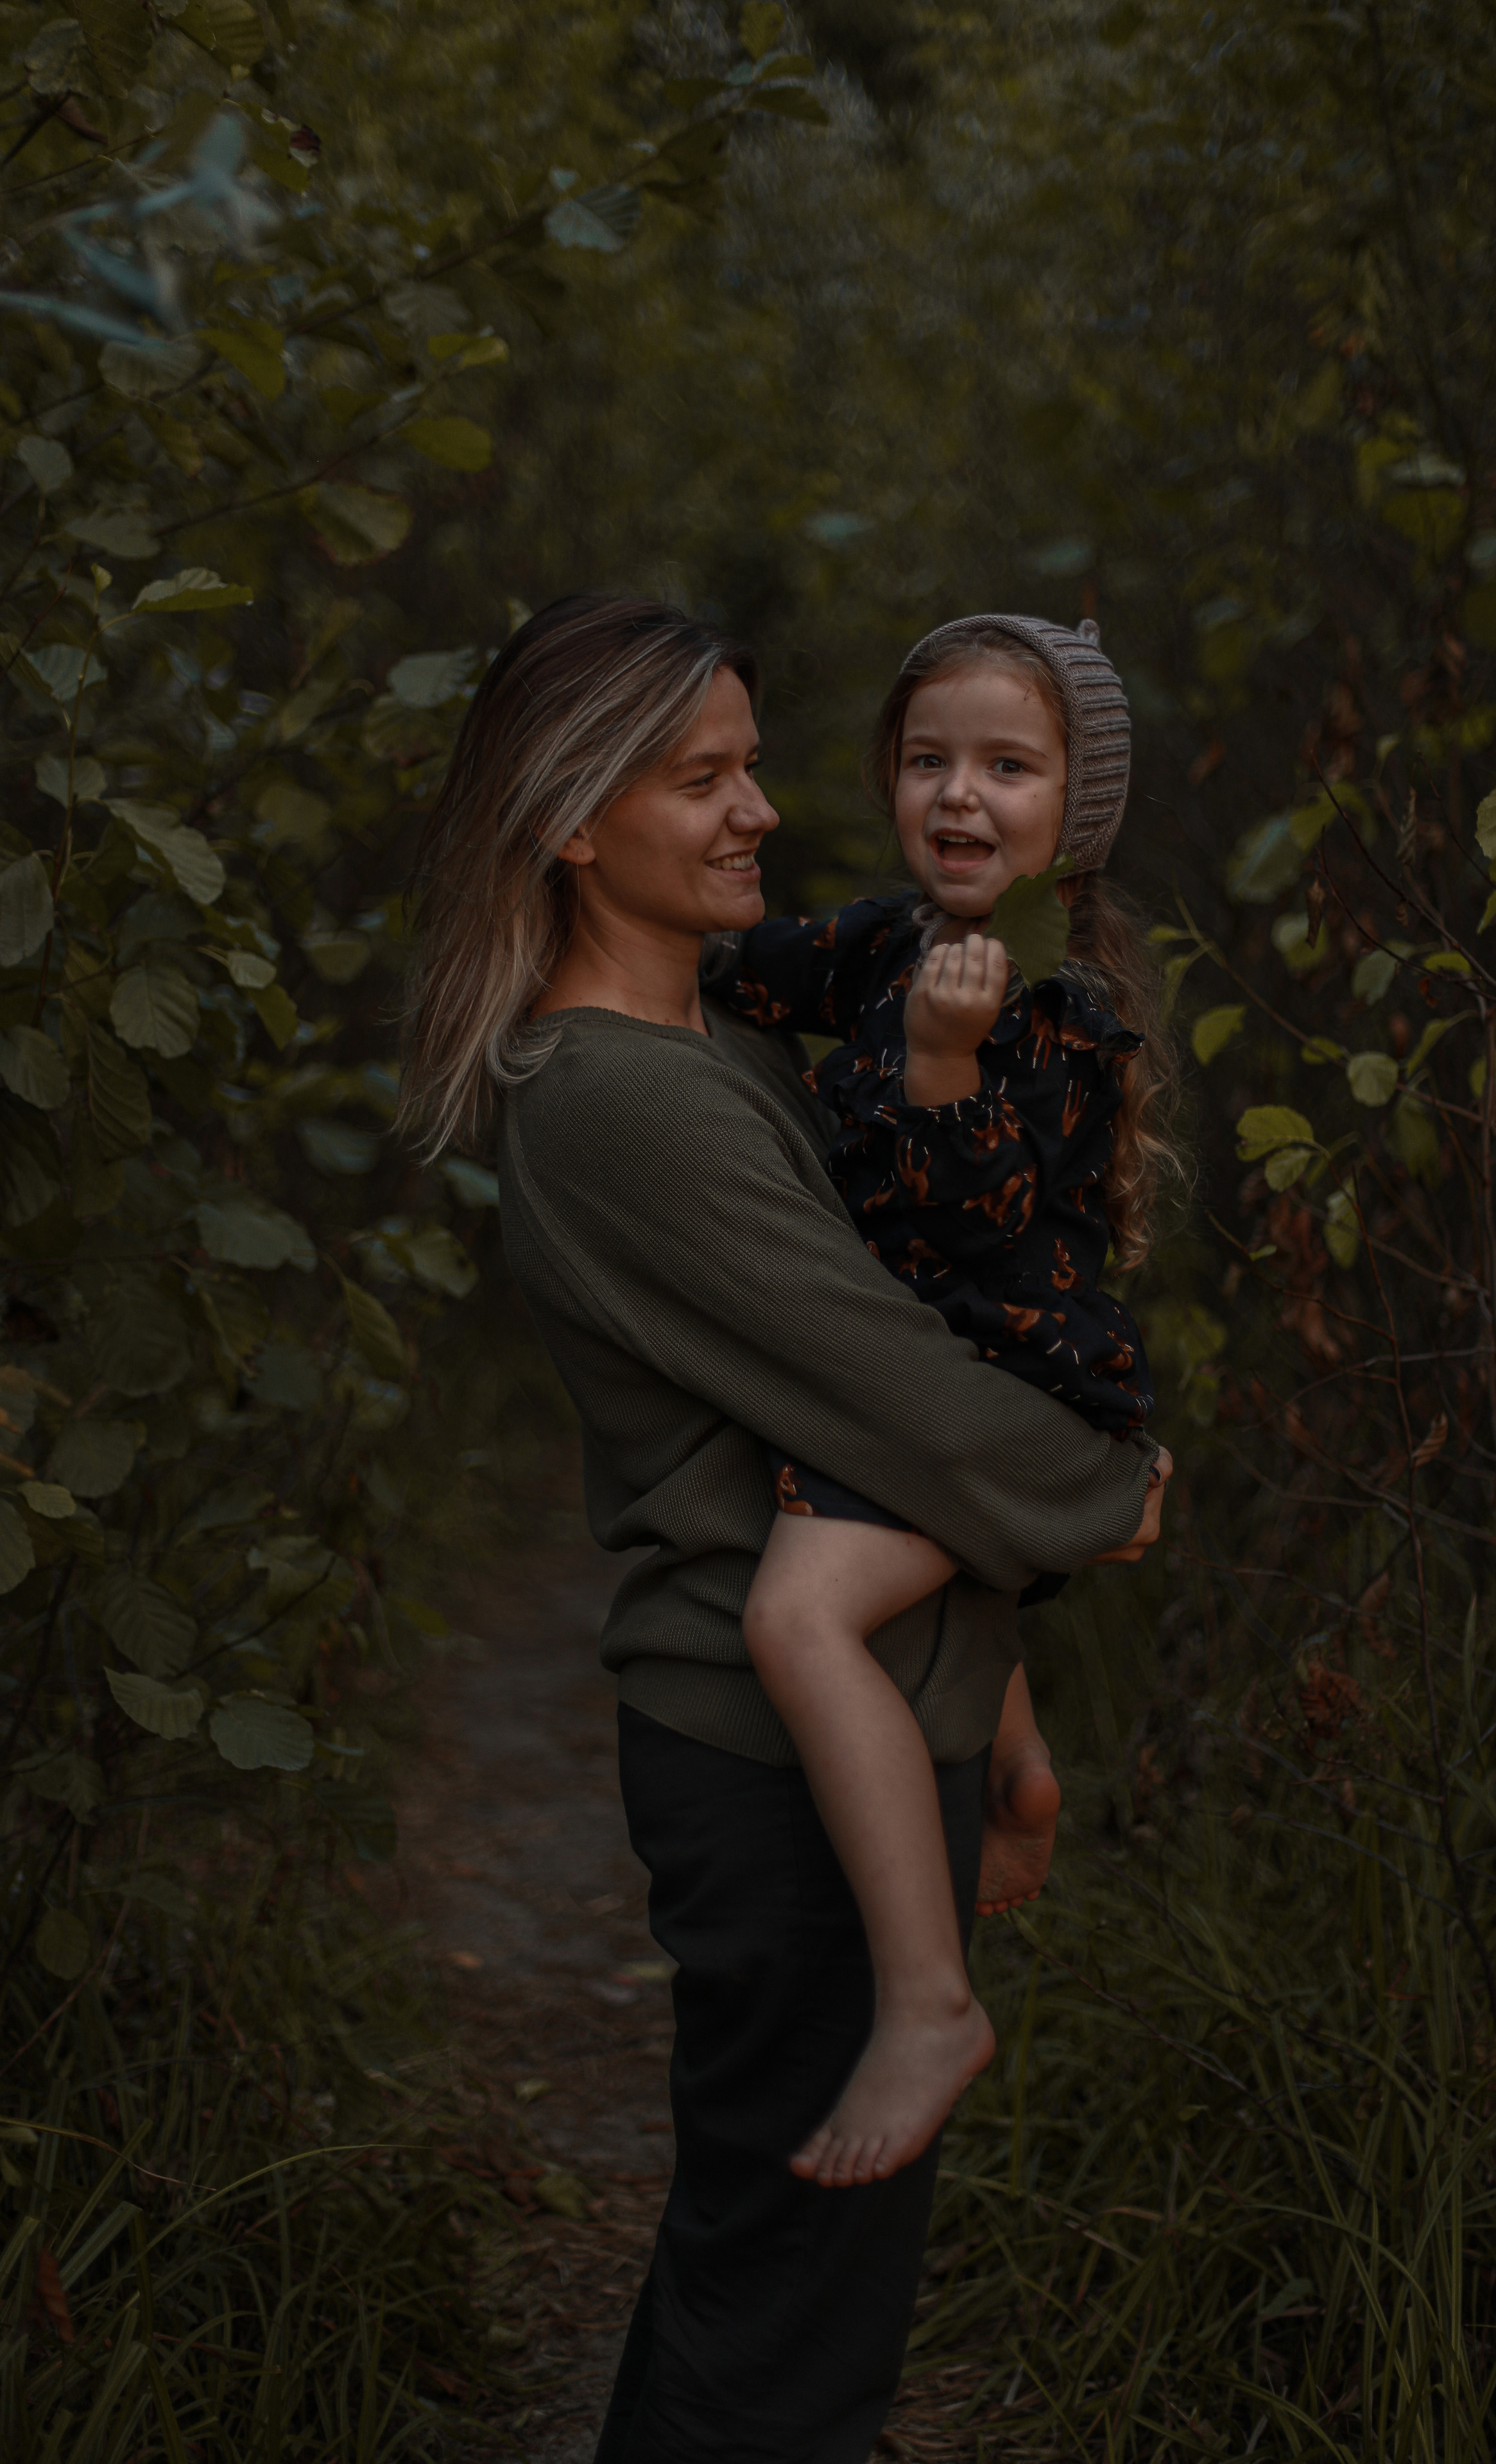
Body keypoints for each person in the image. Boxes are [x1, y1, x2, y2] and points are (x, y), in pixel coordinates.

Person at [399, 594, 1171, 2464]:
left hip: (870, 1730)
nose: (758, 811)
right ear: (576, 823)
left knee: (784, 2294)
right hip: (769, 1772)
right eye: (702, 779)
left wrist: (1002, 1724)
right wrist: (1111, 1482)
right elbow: (890, 1390)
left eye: (752, 766)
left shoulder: (730, 1051)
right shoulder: (615, 1101)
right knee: (789, 2339)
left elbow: (887, 1371)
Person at [724, 613, 1177, 2192]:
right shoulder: (880, 937)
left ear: (1077, 811)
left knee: (795, 1620)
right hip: (910, 1386)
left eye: (1008, 766)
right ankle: (1017, 1757)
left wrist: (936, 1062)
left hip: (1009, 1390)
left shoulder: (1061, 1009)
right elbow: (731, 974)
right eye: (929, 761)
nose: (960, 797)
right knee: (876, 1575)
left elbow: (982, 1226)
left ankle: (927, 2003)